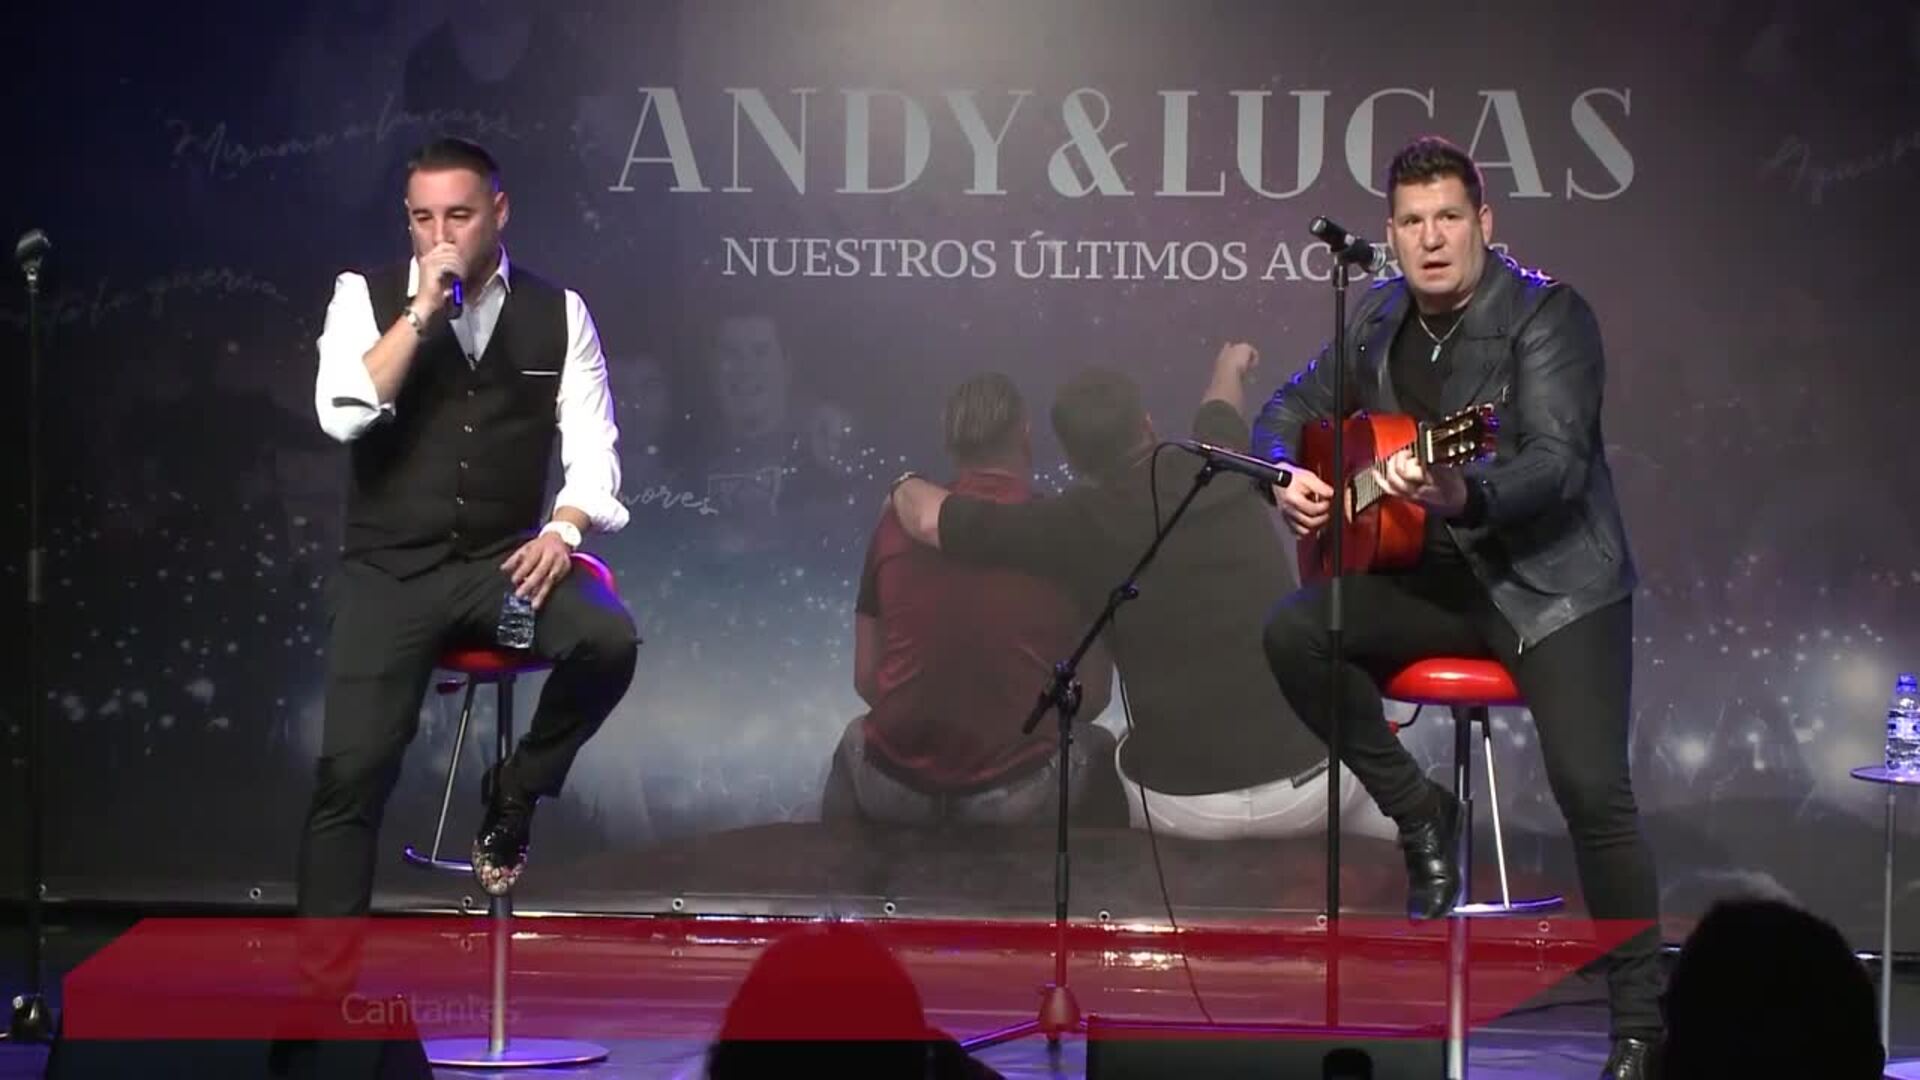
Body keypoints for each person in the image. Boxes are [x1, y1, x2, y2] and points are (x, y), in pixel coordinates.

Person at [1252, 135, 1661, 1078]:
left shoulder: (1549, 317)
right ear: (1391, 234)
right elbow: (1286, 407)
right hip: (1435, 584)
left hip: (1554, 589)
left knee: (1593, 794)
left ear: (1484, 222)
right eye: (1411, 222)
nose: (1430, 239)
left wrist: (1464, 492)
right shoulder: (1378, 319)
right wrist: (1283, 474)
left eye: (1447, 217)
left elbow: (1556, 465)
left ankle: (1641, 1027)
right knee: (1296, 632)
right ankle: (1422, 810)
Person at [301, 135, 639, 912]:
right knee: (350, 777)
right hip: (389, 572)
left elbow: (595, 452)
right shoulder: (364, 296)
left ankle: (517, 785)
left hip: (500, 564)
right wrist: (421, 310)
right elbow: (342, 415)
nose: (441, 236)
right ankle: (324, 981)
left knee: (608, 640)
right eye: (423, 219)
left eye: (459, 215)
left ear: (499, 212)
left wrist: (563, 529)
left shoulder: (559, 312)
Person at [889, 346, 1375, 842]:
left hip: (1189, 810)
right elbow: (1220, 406)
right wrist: (1229, 364)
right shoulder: (1226, 465)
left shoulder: (1071, 525)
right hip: (1318, 787)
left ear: (1073, 459)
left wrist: (903, 482)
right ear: (1147, 423)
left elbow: (926, 518)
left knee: (1114, 750)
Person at [824, 373, 1115, 827]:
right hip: (1019, 795)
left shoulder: (893, 527)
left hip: (894, 790)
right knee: (1098, 745)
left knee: (853, 738)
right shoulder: (1065, 531)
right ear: (1024, 435)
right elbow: (1093, 697)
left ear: (951, 443)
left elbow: (867, 680)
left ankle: (841, 870)